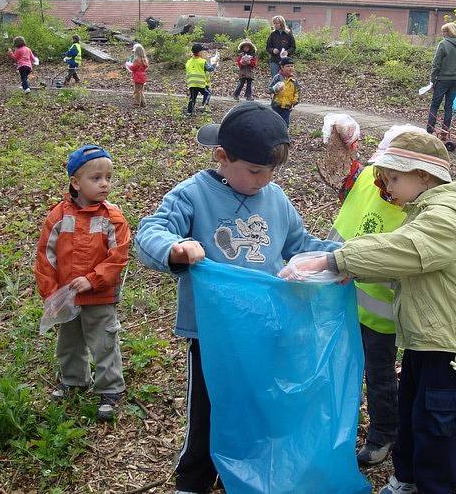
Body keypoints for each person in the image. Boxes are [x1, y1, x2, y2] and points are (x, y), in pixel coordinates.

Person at [135, 102, 340, 494]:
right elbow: (150, 232)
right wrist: (176, 248)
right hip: (214, 334)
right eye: (256, 171)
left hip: (266, 326)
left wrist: (340, 257)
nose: (265, 180)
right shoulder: (194, 195)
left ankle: (247, 472)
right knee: (208, 409)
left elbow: (301, 245)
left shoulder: (276, 198)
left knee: (258, 403)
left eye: (271, 171)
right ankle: (193, 480)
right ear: (222, 158)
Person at [281, 129, 456, 494]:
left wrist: (335, 260)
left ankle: (432, 486)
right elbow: (406, 262)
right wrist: (353, 270)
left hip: (448, 346)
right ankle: (405, 479)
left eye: (393, 177)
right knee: (411, 414)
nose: (387, 186)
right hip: (426, 339)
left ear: (422, 175)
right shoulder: (424, 210)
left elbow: (402, 250)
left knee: (437, 423)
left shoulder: (447, 216)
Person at [328, 126, 413, 468]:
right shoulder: (366, 179)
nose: (385, 184)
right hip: (342, 297)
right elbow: (345, 225)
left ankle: (383, 433)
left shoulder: (419, 205)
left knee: (378, 373)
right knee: (343, 368)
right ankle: (339, 428)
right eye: (383, 175)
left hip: (381, 312)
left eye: (394, 177)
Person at [34, 144, 130, 421]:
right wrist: (51, 292)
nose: (104, 184)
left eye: (108, 178)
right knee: (69, 340)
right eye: (96, 178)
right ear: (75, 183)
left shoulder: (112, 217)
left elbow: (118, 255)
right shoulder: (58, 217)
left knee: (104, 340)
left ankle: (110, 388)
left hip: (99, 295)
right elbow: (46, 255)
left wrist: (93, 279)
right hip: (68, 296)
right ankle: (74, 379)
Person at [427, 22, 456, 136]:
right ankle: (445, 132)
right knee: (448, 106)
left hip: (442, 80)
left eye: (445, 31)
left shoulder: (443, 44)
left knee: (435, 104)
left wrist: (432, 80)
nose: (443, 33)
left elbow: (436, 64)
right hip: (455, 81)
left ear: (450, 32)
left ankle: (430, 130)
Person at [185, 43, 216, 115]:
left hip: (191, 83)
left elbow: (188, 70)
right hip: (200, 83)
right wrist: (214, 64)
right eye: (202, 51)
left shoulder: (188, 62)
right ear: (199, 52)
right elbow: (210, 69)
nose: (203, 52)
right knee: (207, 94)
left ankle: (189, 112)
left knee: (192, 98)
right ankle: (204, 107)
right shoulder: (202, 61)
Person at [269, 57, 299, 127]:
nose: (290, 68)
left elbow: (297, 93)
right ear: (282, 67)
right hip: (276, 105)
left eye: (292, 66)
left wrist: (294, 103)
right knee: (275, 122)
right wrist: (275, 89)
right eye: (287, 66)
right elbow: (269, 89)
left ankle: (284, 136)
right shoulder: (277, 77)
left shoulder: (294, 80)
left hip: (287, 106)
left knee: (285, 124)